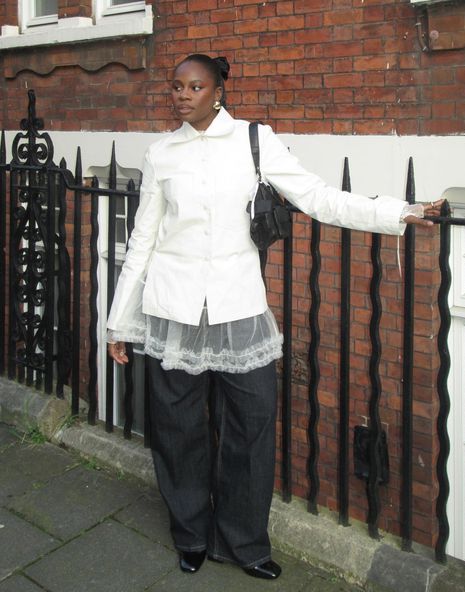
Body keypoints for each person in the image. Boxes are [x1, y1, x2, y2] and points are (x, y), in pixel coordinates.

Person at [106, 54, 443, 580]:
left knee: (253, 426)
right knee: (177, 432)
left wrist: (397, 211)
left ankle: (243, 541)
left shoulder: (254, 142)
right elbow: (144, 239)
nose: (182, 95)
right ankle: (191, 534)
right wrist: (119, 323)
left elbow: (318, 197)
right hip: (171, 311)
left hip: (238, 309)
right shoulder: (161, 153)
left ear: (217, 91)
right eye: (176, 86)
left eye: (194, 86)